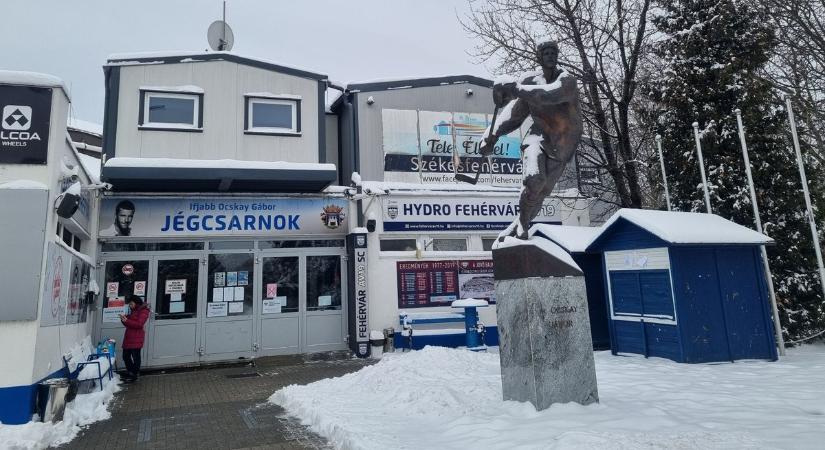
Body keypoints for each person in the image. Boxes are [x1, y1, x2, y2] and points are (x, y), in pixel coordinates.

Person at [480, 39, 583, 240]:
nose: (550, 56)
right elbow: (516, 115)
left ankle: (521, 223)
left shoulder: (567, 80)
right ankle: (522, 229)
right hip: (538, 137)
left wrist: (515, 88)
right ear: (539, 57)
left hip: (562, 144)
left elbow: (549, 96)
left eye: (553, 53)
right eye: (546, 53)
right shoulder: (530, 81)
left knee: (542, 192)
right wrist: (492, 137)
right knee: (534, 180)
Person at [119, 294, 149, 382]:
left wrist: (127, 320)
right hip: (129, 337)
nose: (130, 306)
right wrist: (124, 319)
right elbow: (129, 323)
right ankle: (130, 372)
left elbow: (139, 324)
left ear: (136, 303)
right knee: (126, 356)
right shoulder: (133, 310)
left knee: (136, 357)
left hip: (137, 337)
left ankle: (134, 374)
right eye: (129, 304)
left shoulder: (143, 311)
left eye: (131, 304)